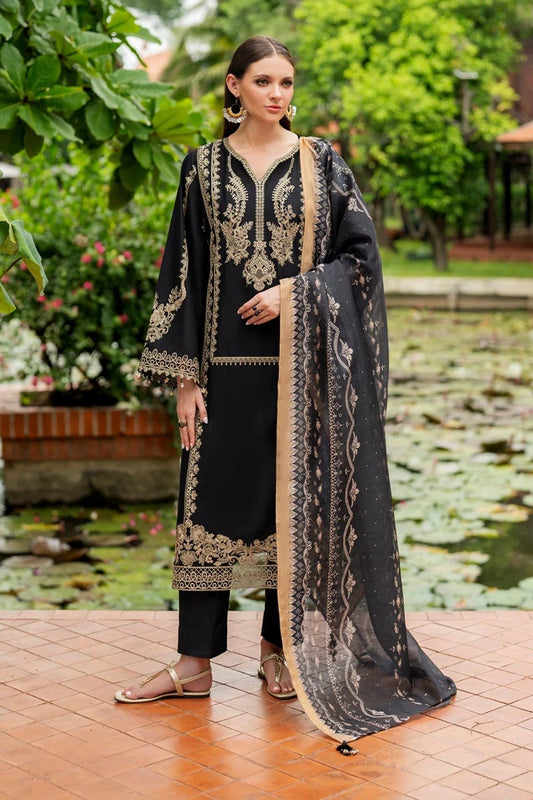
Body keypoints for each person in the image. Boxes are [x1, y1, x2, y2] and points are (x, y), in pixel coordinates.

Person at [115, 35, 456, 745]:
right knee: (204, 510)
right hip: (221, 377)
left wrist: (293, 293)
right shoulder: (202, 167)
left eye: (287, 81)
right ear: (233, 86)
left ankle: (280, 655)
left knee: (292, 517)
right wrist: (182, 380)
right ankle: (193, 663)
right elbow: (182, 271)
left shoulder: (321, 163)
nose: (278, 93)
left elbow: (360, 262)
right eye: (263, 80)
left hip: (303, 375)